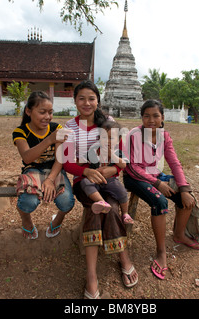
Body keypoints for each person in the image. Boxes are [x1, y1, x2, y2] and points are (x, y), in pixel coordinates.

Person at [62, 80, 138, 299]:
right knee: (98, 210)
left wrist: (111, 169)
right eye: (82, 98)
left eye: (91, 98)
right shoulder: (70, 127)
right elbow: (67, 162)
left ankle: (123, 258)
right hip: (84, 183)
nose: (87, 103)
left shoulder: (109, 122)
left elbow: (120, 154)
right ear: (75, 100)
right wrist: (86, 172)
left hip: (108, 180)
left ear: (98, 100)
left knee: (110, 208)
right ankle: (92, 275)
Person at [123, 99, 199, 281]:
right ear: (142, 118)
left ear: (162, 118)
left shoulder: (164, 136)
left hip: (154, 175)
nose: (151, 120)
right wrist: (157, 183)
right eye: (146, 116)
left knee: (187, 196)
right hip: (134, 177)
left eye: (155, 116)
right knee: (159, 201)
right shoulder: (134, 135)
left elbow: (174, 162)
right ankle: (161, 252)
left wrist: (183, 188)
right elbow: (133, 167)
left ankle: (179, 234)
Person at [12, 91, 75, 240]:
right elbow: (27, 158)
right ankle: (26, 221)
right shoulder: (20, 132)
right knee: (28, 203)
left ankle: (58, 219)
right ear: (28, 111)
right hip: (32, 169)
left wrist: (50, 179)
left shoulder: (56, 128)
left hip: (55, 169)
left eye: (50, 112)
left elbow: (60, 158)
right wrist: (49, 140)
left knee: (67, 202)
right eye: (42, 112)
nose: (47, 117)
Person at [79, 120, 133, 225]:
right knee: (85, 183)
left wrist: (110, 153)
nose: (107, 141)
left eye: (111, 138)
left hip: (111, 180)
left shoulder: (118, 152)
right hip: (95, 179)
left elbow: (123, 165)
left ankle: (125, 213)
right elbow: (81, 161)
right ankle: (101, 202)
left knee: (122, 192)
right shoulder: (94, 150)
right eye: (103, 137)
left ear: (118, 140)